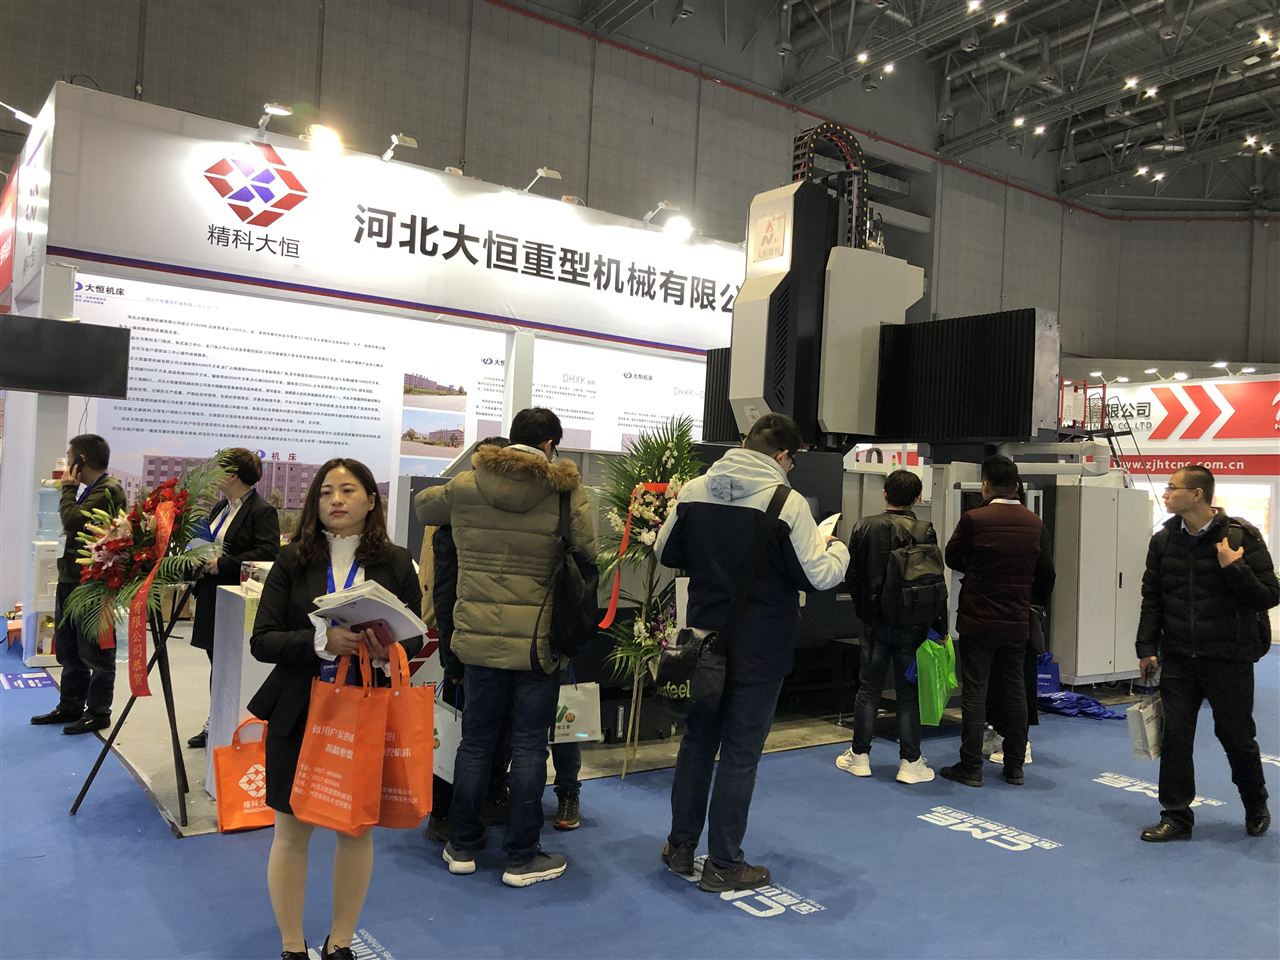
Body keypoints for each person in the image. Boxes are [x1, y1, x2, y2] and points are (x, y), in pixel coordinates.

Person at [655, 413, 849, 892]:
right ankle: (724, 863)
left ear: (745, 443)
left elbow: (666, 552)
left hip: (703, 642)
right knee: (740, 755)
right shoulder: (787, 502)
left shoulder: (695, 489)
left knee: (697, 744)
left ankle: (680, 847)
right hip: (761, 646)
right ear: (783, 455)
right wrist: (837, 549)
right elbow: (819, 575)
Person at [248, 458, 423, 960]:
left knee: (356, 829)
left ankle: (340, 942)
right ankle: (292, 946)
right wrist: (323, 641)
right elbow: (263, 639)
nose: (336, 500)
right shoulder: (292, 560)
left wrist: (384, 649)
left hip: (364, 713)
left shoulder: (397, 562)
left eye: (348, 490)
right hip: (299, 710)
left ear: (371, 499)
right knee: (290, 830)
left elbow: (414, 638)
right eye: (326, 492)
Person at [414, 407, 596, 888]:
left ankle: (461, 845)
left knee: (475, 743)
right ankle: (520, 857)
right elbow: (587, 553)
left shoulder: (467, 485)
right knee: (530, 746)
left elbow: (424, 507)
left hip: (475, 640)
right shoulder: (566, 493)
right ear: (550, 445)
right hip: (538, 645)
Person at [1135, 464, 1278, 842]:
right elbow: (1152, 597)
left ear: (1197, 494)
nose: (1166, 494)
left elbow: (1268, 595)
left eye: (1173, 487)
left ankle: (1255, 804)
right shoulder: (1164, 540)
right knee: (1176, 738)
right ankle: (1176, 815)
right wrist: (1146, 647)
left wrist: (1235, 567)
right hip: (1179, 657)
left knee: (1236, 736)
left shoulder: (1241, 537)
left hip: (1228, 657)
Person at [941, 455, 1054, 788]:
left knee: (975, 691)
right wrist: (1032, 605)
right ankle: (1015, 766)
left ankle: (971, 766)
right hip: (1016, 620)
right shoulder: (1035, 523)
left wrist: (977, 567)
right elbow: (1047, 573)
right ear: (1017, 486)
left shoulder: (974, 519)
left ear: (985, 486)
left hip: (977, 619)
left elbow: (952, 557)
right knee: (1015, 690)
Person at [836, 468, 939, 784]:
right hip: (912, 623)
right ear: (918, 498)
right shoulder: (925, 530)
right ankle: (910, 761)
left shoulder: (864, 526)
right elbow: (932, 580)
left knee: (868, 688)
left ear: (885, 493)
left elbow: (852, 574)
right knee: (908, 692)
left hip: (874, 622)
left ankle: (859, 756)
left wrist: (865, 609)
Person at [31, 434, 127, 735]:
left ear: (80, 461)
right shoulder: (92, 490)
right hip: (72, 579)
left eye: (69, 456)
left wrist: (68, 489)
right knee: (69, 650)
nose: (67, 463)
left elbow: (72, 520)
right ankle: (70, 705)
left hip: (93, 586)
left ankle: (98, 712)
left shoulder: (108, 490)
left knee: (96, 652)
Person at [188, 448, 280, 748]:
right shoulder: (220, 507)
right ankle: (215, 721)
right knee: (216, 661)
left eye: (219, 469)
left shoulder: (261, 511)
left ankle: (231, 724)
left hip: (237, 597)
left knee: (230, 665)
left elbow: (267, 553)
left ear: (233, 475)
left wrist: (224, 564)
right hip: (211, 594)